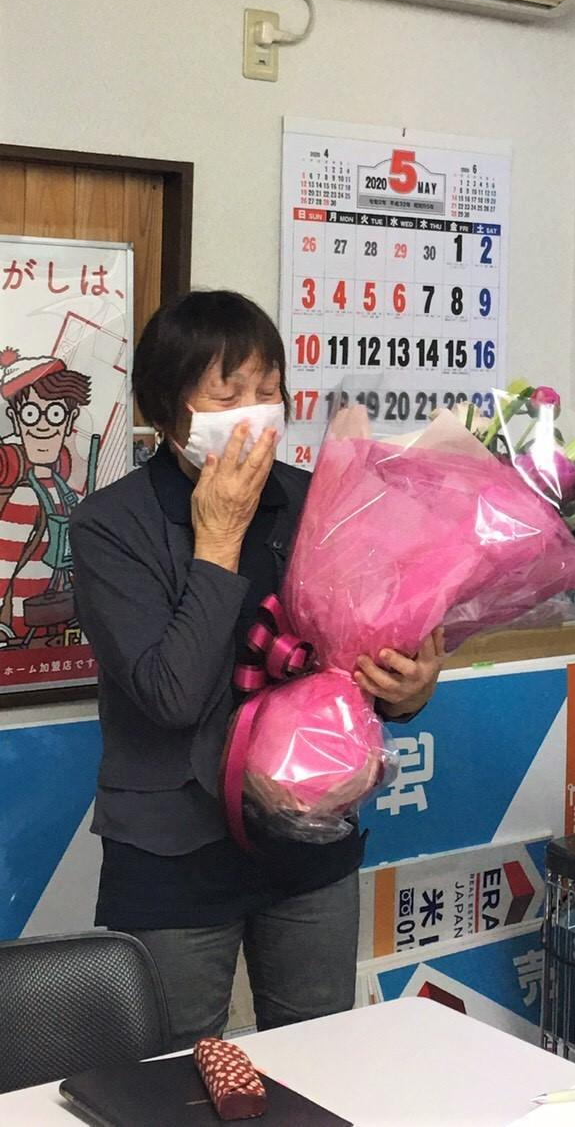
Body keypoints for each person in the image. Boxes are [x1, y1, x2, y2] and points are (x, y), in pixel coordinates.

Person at [70, 291, 444, 1049]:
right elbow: (172, 696)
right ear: (167, 407)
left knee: (318, 1057)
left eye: (268, 389)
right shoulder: (111, 525)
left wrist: (407, 690)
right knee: (178, 1071)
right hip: (174, 847)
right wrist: (219, 541)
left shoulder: (317, 502)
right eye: (226, 392)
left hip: (309, 833)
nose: (254, 410)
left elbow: (351, 660)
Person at [0, 351, 92, 644]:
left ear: (69, 420)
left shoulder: (61, 487)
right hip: (25, 620)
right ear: (16, 420)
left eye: (55, 414)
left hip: (59, 611)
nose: (42, 426)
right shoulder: (25, 494)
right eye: (31, 414)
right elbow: (3, 563)